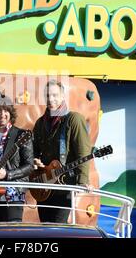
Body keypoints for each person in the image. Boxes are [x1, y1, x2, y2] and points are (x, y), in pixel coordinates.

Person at [33, 80, 92, 223]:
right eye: (47, 95)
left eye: (54, 95)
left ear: (62, 97)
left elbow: (83, 153)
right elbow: (34, 151)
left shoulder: (74, 119)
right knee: (45, 228)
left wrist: (82, 181)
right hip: (44, 186)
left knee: (58, 227)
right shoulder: (40, 123)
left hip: (64, 185)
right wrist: (34, 161)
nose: (51, 99)